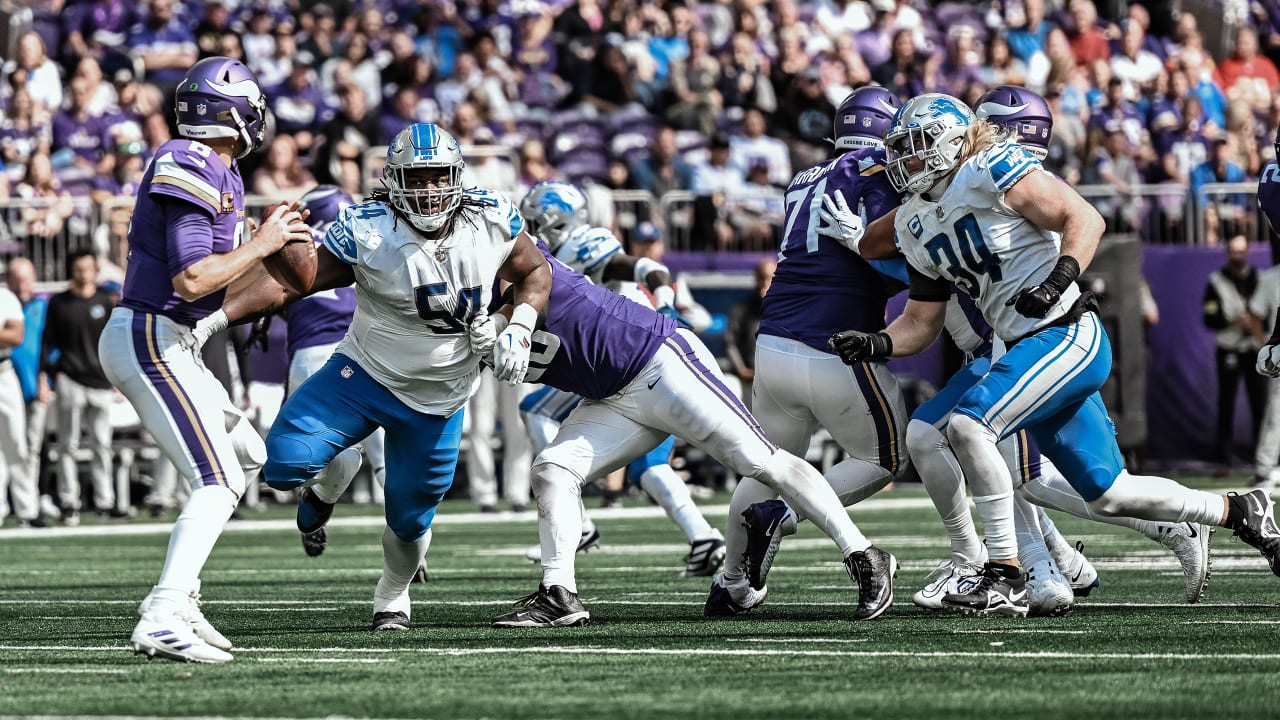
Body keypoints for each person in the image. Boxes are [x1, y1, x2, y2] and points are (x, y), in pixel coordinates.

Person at [830, 93, 1280, 615]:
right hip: (1029, 348)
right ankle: (1239, 510)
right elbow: (921, 322)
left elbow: (1083, 218)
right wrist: (878, 342)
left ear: (951, 143)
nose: (903, 161)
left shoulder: (989, 167)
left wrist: (1058, 278)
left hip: (1065, 332)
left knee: (969, 426)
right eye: (899, 150)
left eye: (914, 148)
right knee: (1108, 494)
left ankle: (1003, 573)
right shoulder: (915, 223)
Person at [205, 122, 553, 633]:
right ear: (393, 180)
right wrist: (213, 319)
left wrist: (516, 327)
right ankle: (322, 495)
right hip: (363, 374)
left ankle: (392, 595)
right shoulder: (367, 226)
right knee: (282, 467)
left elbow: (536, 272)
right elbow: (295, 283)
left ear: (457, 176)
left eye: (439, 178)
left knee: (411, 523)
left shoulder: (492, 216)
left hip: (439, 398)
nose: (430, 190)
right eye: (418, 178)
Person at [488, 202, 893, 630]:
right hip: (610, 396)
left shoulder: (525, 265)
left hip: (655, 361)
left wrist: (503, 327)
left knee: (763, 461)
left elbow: (539, 279)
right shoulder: (460, 299)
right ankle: (558, 594)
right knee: (552, 470)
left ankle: (865, 554)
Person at [96, 56, 312, 664]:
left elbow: (213, 291)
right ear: (232, 112)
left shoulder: (220, 169)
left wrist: (276, 272)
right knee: (215, 481)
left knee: (247, 454)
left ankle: (183, 599)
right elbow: (192, 278)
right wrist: (265, 244)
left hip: (175, 339)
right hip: (149, 335)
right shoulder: (187, 161)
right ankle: (163, 613)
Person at [512, 180, 726, 578]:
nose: (528, 226)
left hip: (627, 352)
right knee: (649, 465)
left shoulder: (581, 244)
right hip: (629, 356)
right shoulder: (553, 250)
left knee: (535, 410)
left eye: (534, 220)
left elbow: (646, 267)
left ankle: (578, 524)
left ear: (556, 222)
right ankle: (705, 538)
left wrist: (665, 306)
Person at [274, 185, 386, 557]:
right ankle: (405, 536)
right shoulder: (366, 238)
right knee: (387, 454)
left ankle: (318, 497)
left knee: (324, 454)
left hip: (311, 355)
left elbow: (270, 291)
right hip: (366, 350)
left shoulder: (291, 243)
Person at [43, 249, 121, 523]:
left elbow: (115, 343)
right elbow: (47, 342)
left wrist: (118, 379)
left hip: (100, 382)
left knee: (102, 445)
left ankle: (104, 502)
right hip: (70, 380)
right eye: (79, 269)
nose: (84, 273)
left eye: (88, 268)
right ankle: (69, 502)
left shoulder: (105, 300)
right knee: (68, 446)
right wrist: (47, 377)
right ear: (71, 270)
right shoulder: (59, 303)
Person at [1203, 234, 1266, 475]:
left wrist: (1256, 324)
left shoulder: (1260, 279)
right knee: (1226, 404)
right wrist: (1233, 321)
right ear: (1227, 252)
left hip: (1254, 348)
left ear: (1248, 251)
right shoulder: (1216, 281)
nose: (1238, 256)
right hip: (1228, 347)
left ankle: (1263, 461)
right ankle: (1223, 461)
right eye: (1233, 251)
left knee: (1260, 405)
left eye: (1242, 251)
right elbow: (1209, 317)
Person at [5, 257, 47, 527]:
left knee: (24, 448)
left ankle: (28, 508)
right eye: (16, 278)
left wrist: (45, 378)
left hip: (22, 380)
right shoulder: (6, 301)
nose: (22, 284)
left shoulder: (39, 306)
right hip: (9, 379)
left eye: (26, 277)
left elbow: (18, 336)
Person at [0, 270, 37, 527]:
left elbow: (15, 335)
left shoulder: (5, 297)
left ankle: (28, 511)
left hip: (3, 372)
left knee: (17, 444)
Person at [723, 258, 774, 410]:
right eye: (761, 278)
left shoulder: (790, 311)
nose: (765, 284)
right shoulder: (742, 310)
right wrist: (740, 369)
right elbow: (729, 342)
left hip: (779, 381)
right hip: (748, 379)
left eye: (770, 278)